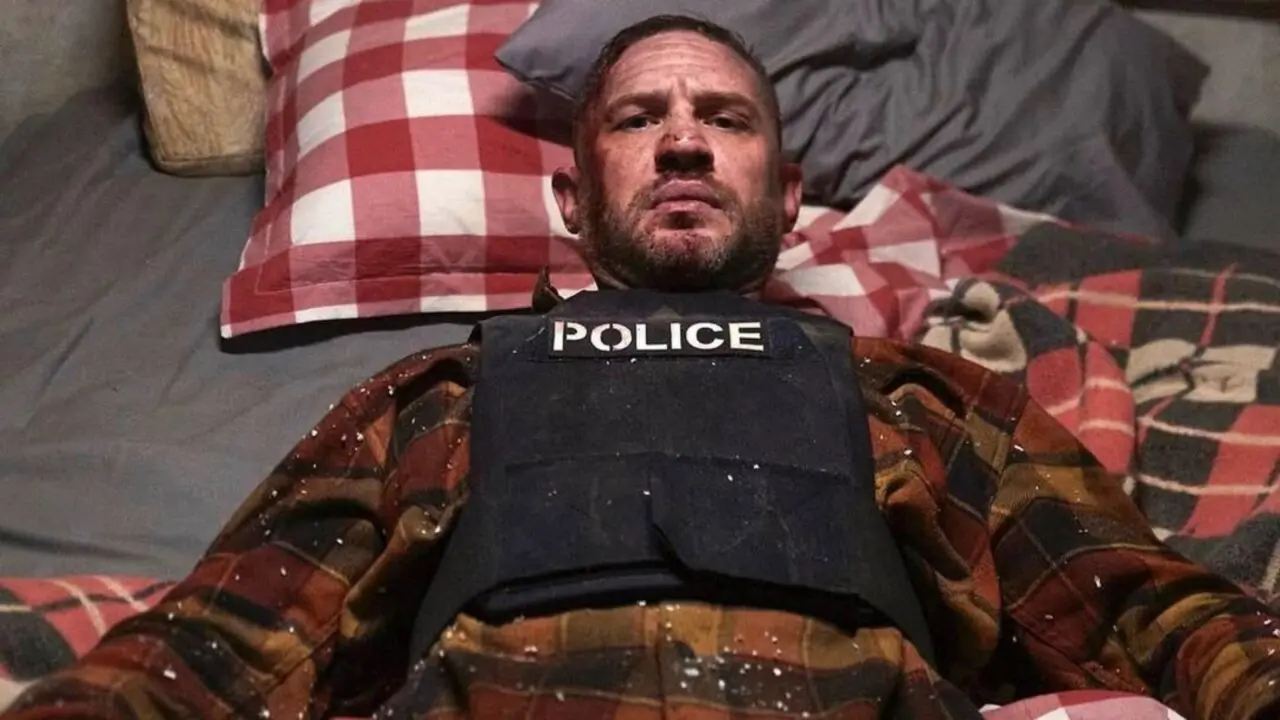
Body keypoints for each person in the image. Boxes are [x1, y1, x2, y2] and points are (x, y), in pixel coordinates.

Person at [5, 14, 1280, 720]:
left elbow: (1156, 615)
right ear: (572, 201)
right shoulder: (436, 399)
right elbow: (211, 649)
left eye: (722, 120)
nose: (680, 143)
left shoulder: (920, 399)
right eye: (636, 119)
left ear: (785, 197)